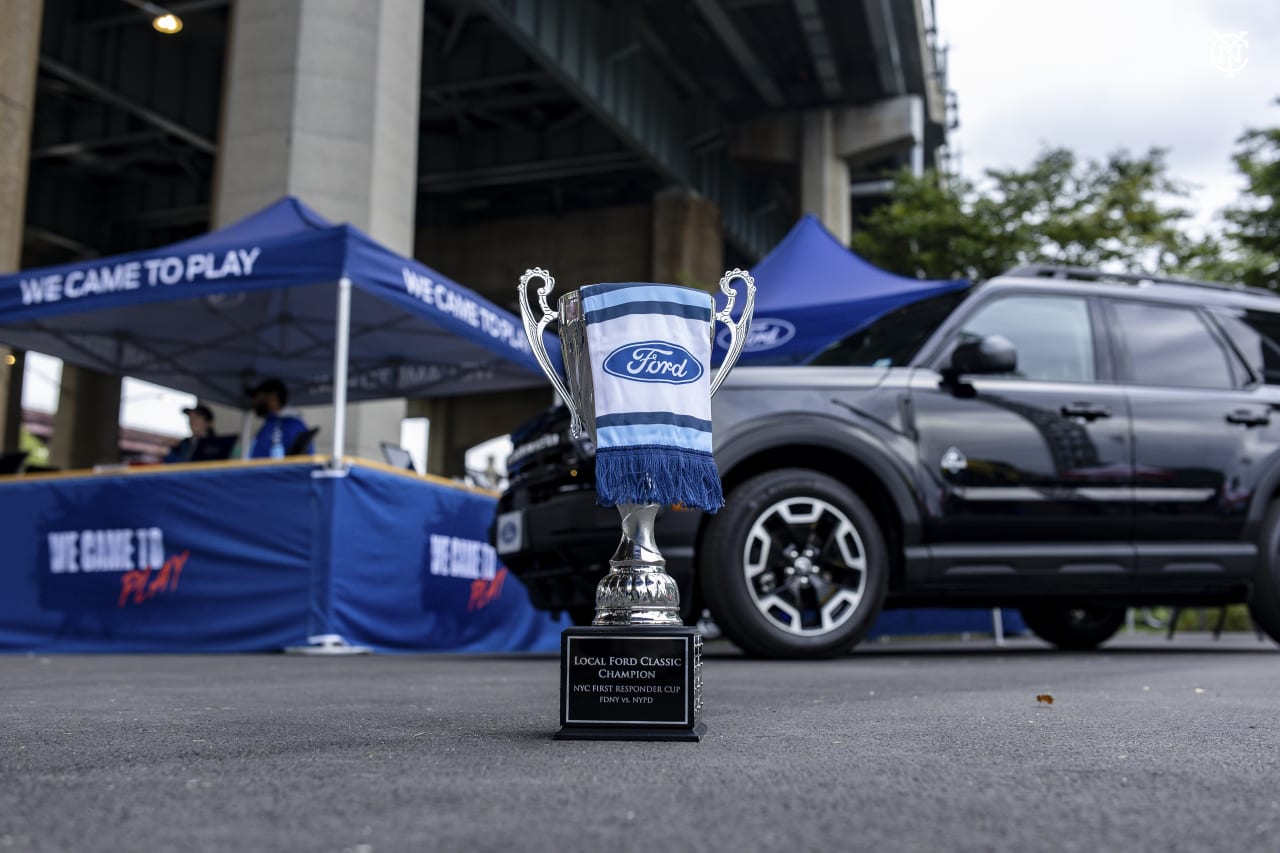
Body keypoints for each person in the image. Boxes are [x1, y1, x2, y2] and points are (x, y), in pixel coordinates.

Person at [246, 378, 313, 458]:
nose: (254, 402)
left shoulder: (292, 425)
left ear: (273, 396)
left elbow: (300, 462)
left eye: (258, 397)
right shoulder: (270, 423)